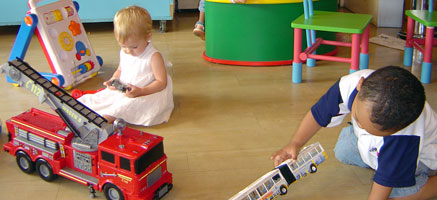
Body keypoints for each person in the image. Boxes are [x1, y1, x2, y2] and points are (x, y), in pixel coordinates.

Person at [271, 66, 437, 200]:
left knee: (398, 194)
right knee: (343, 149)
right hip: (380, 147)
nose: (360, 126)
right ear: (361, 85)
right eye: (358, 119)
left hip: (421, 155)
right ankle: (378, 156)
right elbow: (319, 113)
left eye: (371, 130)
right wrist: (295, 143)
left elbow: (385, 182)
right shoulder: (350, 84)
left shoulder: (404, 137)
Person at [78, 6, 174, 126]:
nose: (128, 51)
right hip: (126, 88)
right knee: (101, 98)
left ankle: (102, 121)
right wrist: (114, 79)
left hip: (148, 92)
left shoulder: (154, 56)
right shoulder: (124, 52)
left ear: (148, 36)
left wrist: (141, 91)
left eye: (134, 47)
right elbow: (120, 69)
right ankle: (82, 112)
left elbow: (161, 83)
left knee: (125, 106)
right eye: (123, 46)